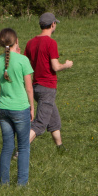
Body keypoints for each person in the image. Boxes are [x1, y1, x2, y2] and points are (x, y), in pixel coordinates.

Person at [26, 12, 74, 150]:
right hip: (47, 87)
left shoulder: (30, 43)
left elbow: (26, 64)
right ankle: (19, 151)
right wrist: (67, 65)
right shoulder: (51, 43)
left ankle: (60, 148)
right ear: (53, 24)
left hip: (36, 87)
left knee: (54, 121)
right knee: (40, 124)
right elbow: (56, 66)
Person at [0, 28, 35, 186]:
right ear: (16, 41)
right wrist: (32, 107)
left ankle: (4, 182)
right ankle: (22, 183)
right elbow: (29, 88)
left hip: (3, 108)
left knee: (7, 147)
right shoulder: (23, 60)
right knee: (24, 146)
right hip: (20, 108)